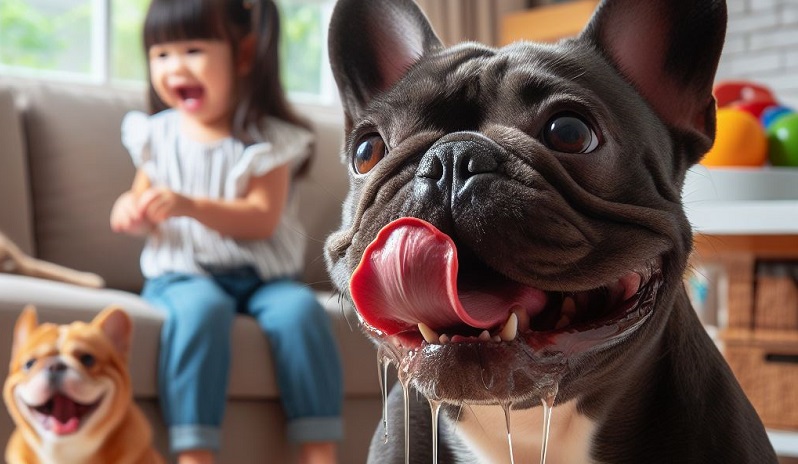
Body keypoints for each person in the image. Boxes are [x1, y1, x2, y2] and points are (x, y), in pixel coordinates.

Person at [109, 0, 343, 463]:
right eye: (161, 54)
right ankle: (195, 451)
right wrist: (130, 211)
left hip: (263, 279)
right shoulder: (156, 136)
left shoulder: (268, 140)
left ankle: (318, 448)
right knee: (200, 313)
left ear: (243, 54)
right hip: (183, 276)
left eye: (193, 50)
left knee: (301, 314)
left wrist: (188, 205)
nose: (175, 67)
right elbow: (137, 199)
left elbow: (260, 217)